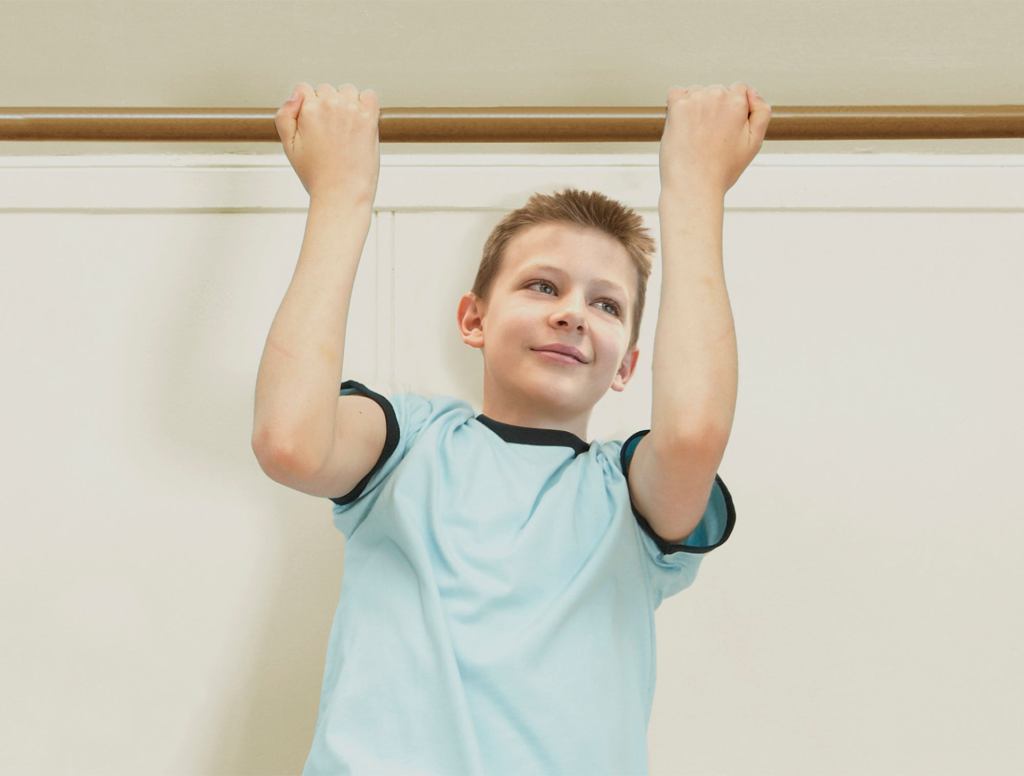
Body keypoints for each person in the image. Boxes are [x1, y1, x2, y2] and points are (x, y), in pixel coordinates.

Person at [253, 81, 771, 775]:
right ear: (474, 319)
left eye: (607, 305)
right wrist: (341, 192)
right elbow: (289, 440)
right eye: (543, 286)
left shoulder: (630, 492)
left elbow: (694, 434)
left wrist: (696, 186)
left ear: (628, 366)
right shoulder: (406, 443)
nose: (573, 314)